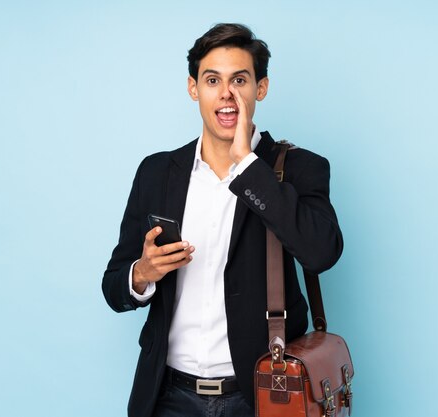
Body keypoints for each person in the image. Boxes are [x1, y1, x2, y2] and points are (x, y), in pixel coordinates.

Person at [102, 23, 343, 417]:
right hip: (167, 397)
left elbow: (321, 253)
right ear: (193, 88)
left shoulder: (301, 168)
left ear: (260, 89)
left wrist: (247, 163)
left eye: (240, 80)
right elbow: (114, 286)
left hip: (264, 397)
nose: (227, 93)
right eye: (213, 79)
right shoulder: (157, 172)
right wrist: (142, 273)